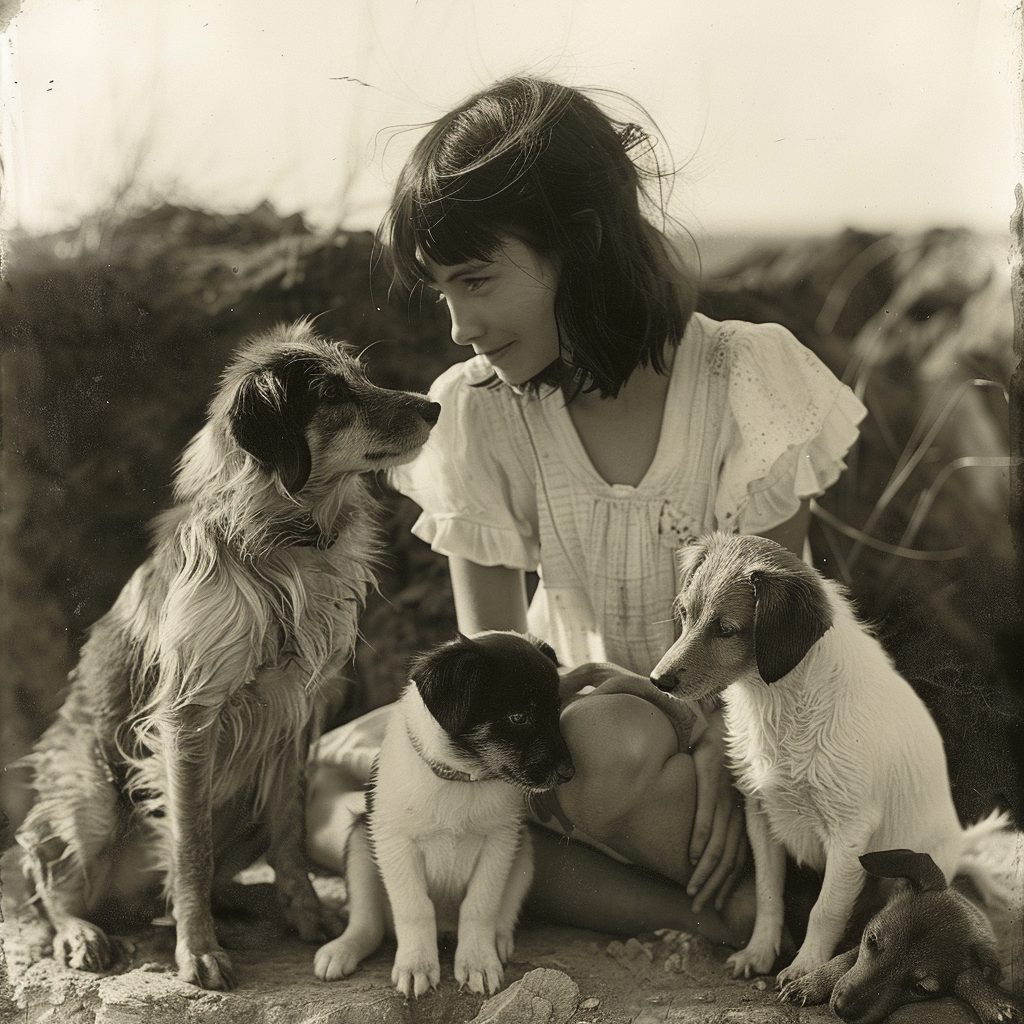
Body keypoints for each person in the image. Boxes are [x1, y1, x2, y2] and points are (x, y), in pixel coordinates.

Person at [305, 75, 866, 951]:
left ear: (584, 244)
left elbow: (776, 643)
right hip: (550, 733)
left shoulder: (743, 381)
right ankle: (691, 913)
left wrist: (727, 754)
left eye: (478, 280)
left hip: (699, 758)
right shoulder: (485, 412)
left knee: (603, 743)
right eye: (441, 291)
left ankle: (708, 887)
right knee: (333, 780)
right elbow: (486, 675)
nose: (459, 326)